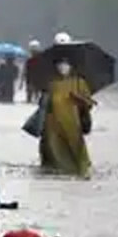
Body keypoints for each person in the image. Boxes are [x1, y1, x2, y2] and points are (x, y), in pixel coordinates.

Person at [40, 35, 95, 177]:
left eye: (65, 64)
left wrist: (79, 100)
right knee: (55, 159)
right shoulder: (51, 83)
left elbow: (88, 104)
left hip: (73, 126)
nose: (63, 67)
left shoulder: (79, 82)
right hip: (53, 127)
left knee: (76, 157)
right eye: (60, 64)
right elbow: (44, 105)